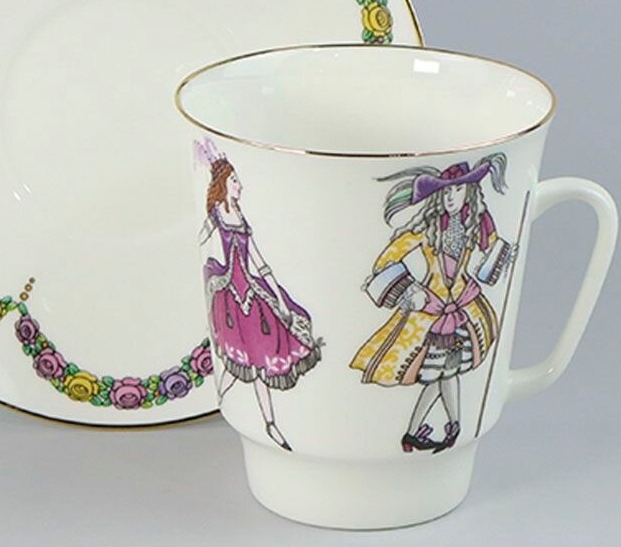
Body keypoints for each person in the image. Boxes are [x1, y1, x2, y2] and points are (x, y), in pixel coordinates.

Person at [351, 155, 513, 453]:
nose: (451, 197)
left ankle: (424, 432)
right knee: (443, 372)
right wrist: (410, 290)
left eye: (457, 190)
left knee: (442, 373)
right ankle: (448, 428)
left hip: (464, 308)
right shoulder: (427, 229)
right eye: (446, 191)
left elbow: (493, 254)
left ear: (469, 192)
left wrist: (503, 255)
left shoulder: (475, 226)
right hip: (434, 310)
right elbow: (386, 259)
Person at [196, 139, 321, 451]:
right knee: (241, 362)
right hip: (230, 295)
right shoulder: (217, 217)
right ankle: (231, 400)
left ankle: (269, 424)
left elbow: (260, 262)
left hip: (251, 295)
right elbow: (202, 239)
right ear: (224, 184)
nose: (240, 185)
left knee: (260, 362)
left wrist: (278, 296)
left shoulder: (241, 219)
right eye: (235, 180)